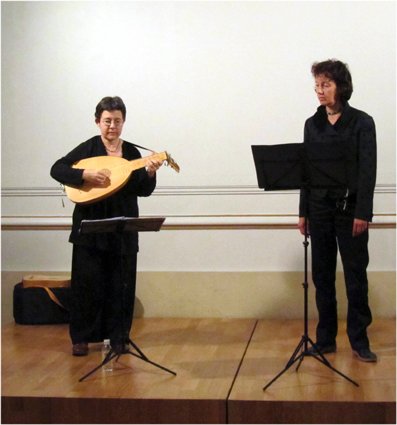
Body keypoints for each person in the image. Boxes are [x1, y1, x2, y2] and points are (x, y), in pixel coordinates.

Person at [50, 96, 163, 356]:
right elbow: (57, 168)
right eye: (107, 121)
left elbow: (142, 191)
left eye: (118, 121)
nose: (112, 126)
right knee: (87, 285)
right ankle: (81, 338)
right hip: (90, 229)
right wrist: (83, 175)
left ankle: (119, 336)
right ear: (97, 122)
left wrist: (150, 172)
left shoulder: (132, 153)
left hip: (122, 228)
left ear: (124, 122)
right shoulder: (88, 148)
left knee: (120, 284)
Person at [298, 60, 377, 362]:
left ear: (341, 87)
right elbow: (305, 172)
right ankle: (325, 339)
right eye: (317, 85)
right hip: (319, 210)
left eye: (325, 84)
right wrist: (303, 212)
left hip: (349, 210)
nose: (319, 90)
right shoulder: (312, 124)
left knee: (355, 276)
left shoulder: (361, 122)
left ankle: (359, 341)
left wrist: (363, 212)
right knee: (322, 275)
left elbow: (367, 171)